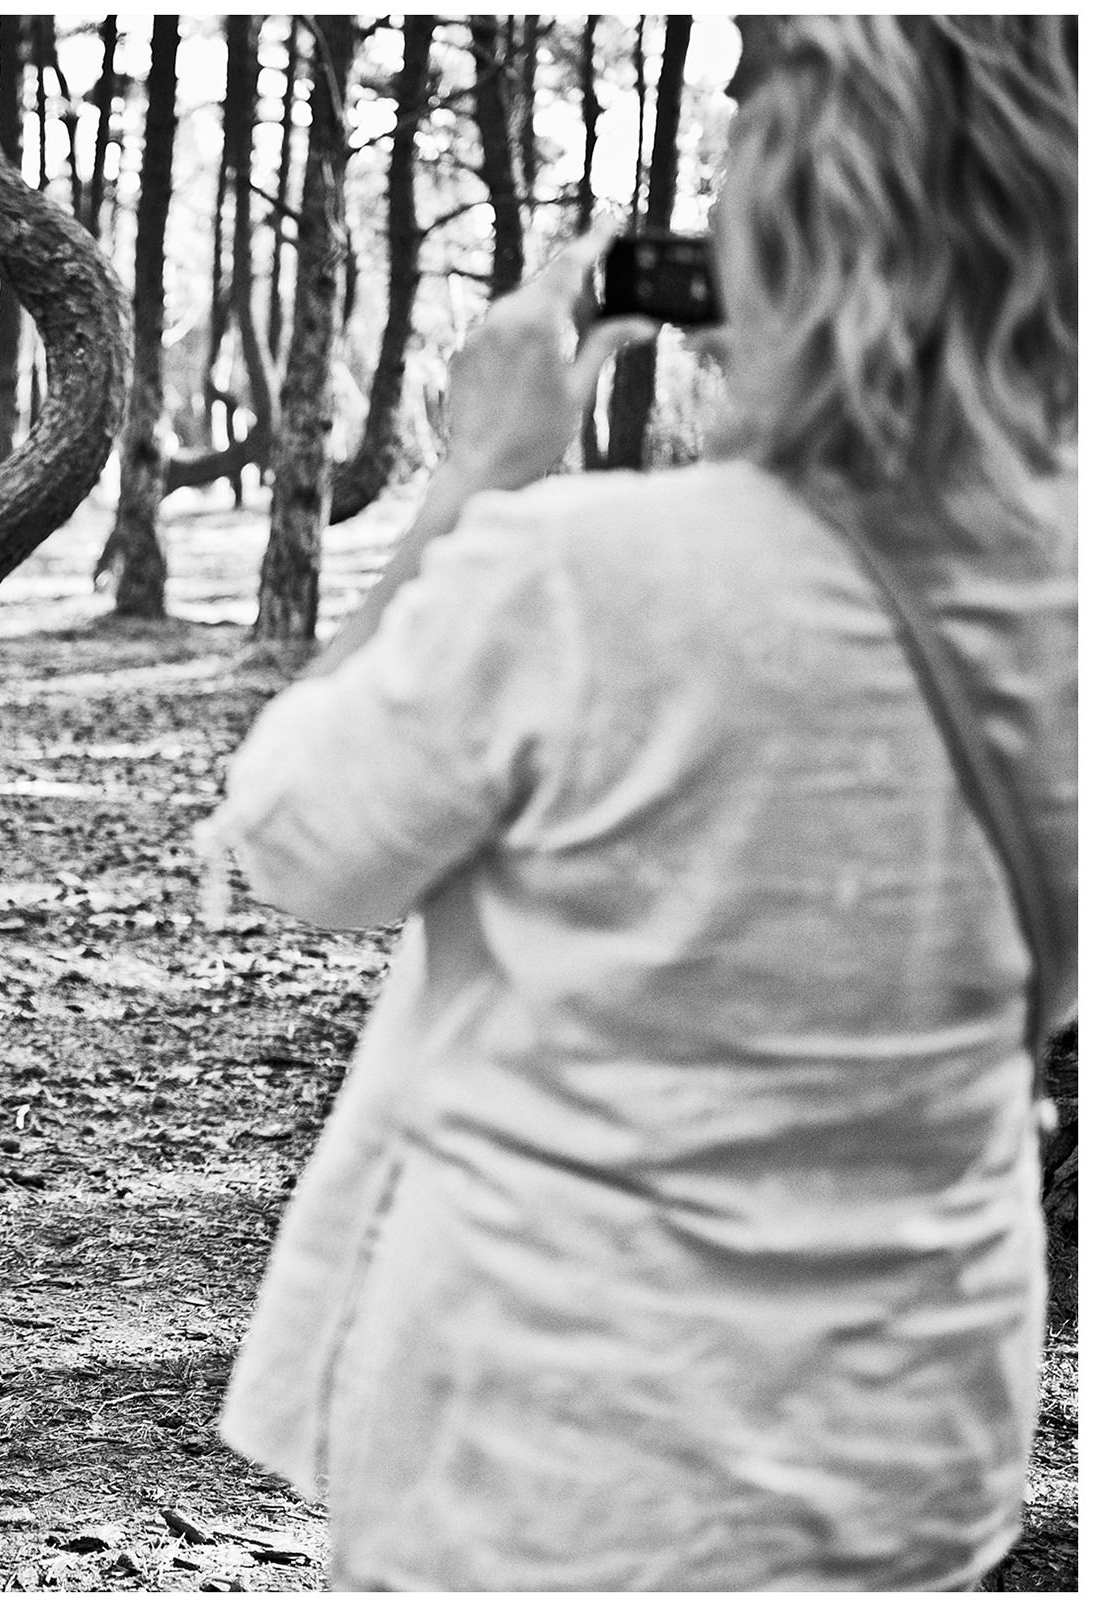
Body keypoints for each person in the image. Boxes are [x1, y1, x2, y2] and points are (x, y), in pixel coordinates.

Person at [200, 17, 1074, 1592]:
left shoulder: (589, 576)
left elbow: (291, 839)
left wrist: (477, 474)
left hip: (545, 1459)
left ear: (777, 242)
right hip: (912, 1440)